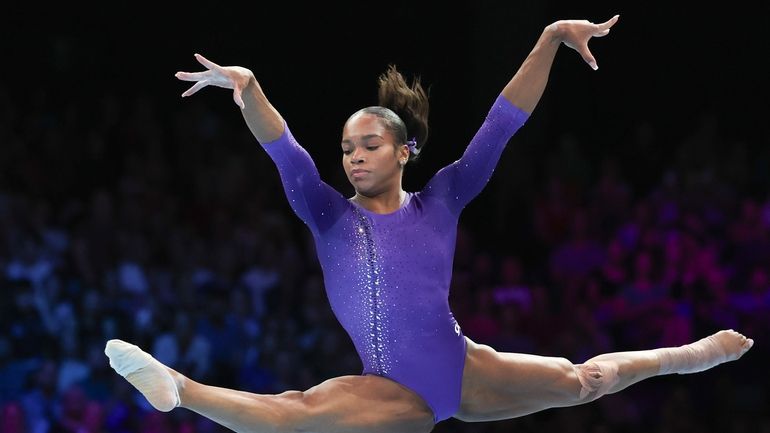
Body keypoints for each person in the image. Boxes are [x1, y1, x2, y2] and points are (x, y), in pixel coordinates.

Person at [104, 14, 754, 433]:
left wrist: (549, 39)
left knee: (582, 381)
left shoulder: (441, 198)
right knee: (295, 413)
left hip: (462, 369)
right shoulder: (325, 213)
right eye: (348, 147)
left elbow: (503, 124)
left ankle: (686, 356)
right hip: (387, 390)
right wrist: (250, 89)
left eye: (370, 144)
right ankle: (181, 389)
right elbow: (285, 150)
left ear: (404, 150)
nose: (354, 155)